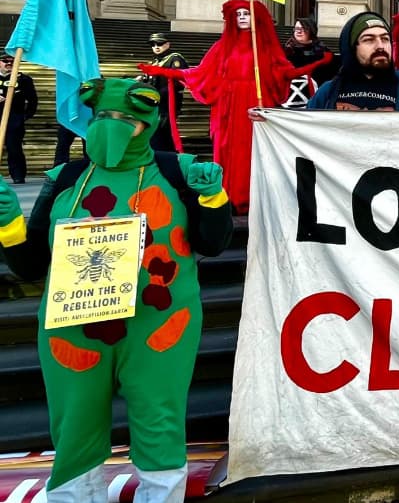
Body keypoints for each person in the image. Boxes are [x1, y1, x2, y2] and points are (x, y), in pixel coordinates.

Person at [0, 77, 232, 501]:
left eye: (127, 118)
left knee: (158, 421)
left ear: (151, 120)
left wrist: (212, 199)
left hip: (159, 324)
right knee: (74, 428)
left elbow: (213, 244)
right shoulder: (64, 177)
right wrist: (10, 224)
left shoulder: (177, 170)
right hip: (74, 328)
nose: (113, 126)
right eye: (103, 116)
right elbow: (30, 263)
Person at [140, 0, 327, 214]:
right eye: (238, 14)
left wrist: (316, 65)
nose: (241, 17)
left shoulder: (264, 47)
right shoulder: (222, 47)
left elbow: (283, 73)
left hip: (255, 105)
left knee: (253, 150)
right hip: (228, 107)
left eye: (246, 13)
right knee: (228, 150)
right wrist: (165, 72)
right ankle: (229, 198)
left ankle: (255, 197)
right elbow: (200, 73)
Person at [307, 11, 399, 112]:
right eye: (369, 40)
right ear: (352, 48)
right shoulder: (328, 92)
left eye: (385, 39)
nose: (380, 46)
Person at [142, 32, 188, 152]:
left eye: (160, 43)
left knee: (163, 130)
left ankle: (167, 155)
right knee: (159, 133)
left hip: (168, 103)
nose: (156, 47)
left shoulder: (175, 59)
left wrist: (157, 95)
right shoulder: (155, 62)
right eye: (153, 44)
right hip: (155, 104)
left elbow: (178, 82)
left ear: (168, 44)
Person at [0, 53, 37, 184]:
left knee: (14, 148)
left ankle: (18, 175)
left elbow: (33, 100)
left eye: (12, 60)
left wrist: (25, 116)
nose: (9, 63)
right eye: (5, 60)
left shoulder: (24, 79)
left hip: (14, 119)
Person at [282, 18, 336, 108]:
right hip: (287, 102)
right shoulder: (284, 51)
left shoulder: (324, 54)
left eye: (303, 29)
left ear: (311, 31)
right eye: (297, 29)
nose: (299, 32)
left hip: (315, 102)